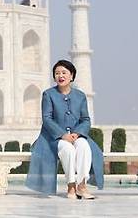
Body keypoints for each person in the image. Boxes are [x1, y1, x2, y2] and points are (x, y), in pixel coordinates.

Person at [26, 59, 104, 199]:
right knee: (67, 150)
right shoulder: (48, 94)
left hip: (76, 135)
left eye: (64, 72)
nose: (60, 76)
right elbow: (47, 119)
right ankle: (71, 186)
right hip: (53, 138)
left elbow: (85, 119)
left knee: (84, 146)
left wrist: (77, 133)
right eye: (57, 73)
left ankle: (82, 185)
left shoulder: (80, 96)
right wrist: (62, 135)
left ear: (72, 75)